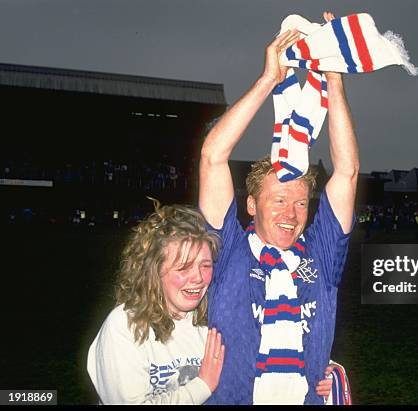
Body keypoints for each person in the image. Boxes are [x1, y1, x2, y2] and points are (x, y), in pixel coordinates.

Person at [199, 11, 357, 405]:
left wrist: (334, 80)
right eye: (280, 200)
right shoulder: (227, 250)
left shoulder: (321, 255)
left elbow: (347, 172)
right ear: (251, 204)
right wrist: (269, 79)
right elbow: (212, 156)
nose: (292, 213)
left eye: (301, 202)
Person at [87, 199, 225, 404]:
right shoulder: (125, 326)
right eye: (183, 267)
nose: (198, 277)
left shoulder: (213, 321)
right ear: (154, 272)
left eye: (205, 265)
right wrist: (202, 386)